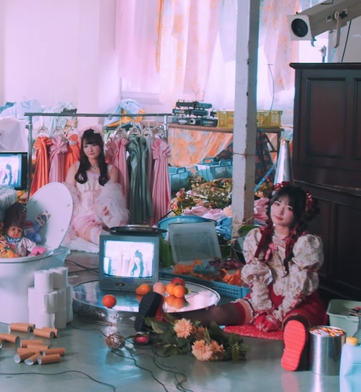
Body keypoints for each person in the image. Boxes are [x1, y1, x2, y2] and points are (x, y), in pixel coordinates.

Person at [135, 183, 325, 372]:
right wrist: (262, 311)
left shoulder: (305, 244)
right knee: (219, 312)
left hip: (296, 302)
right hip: (262, 298)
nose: (280, 211)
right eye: (277, 204)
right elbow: (257, 280)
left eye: (289, 208)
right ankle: (164, 320)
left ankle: (295, 348)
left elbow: (298, 289)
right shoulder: (258, 237)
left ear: (299, 214)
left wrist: (276, 317)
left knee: (295, 322)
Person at [64, 129, 129, 249]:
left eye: (93, 145)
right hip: (82, 217)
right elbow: (68, 198)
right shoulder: (75, 168)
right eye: (86, 146)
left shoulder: (112, 170)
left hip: (103, 215)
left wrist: (104, 213)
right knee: (103, 238)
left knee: (123, 233)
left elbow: (111, 198)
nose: (90, 149)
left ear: (101, 145)